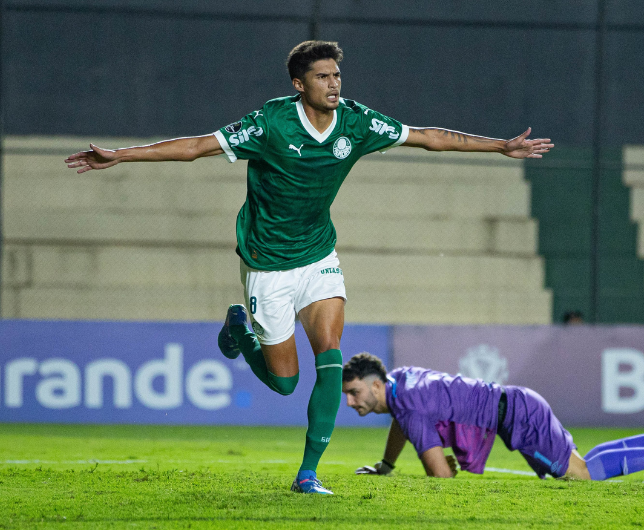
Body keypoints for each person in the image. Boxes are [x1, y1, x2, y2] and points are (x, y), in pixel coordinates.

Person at [64, 41, 554, 495]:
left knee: (331, 358)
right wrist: (121, 156)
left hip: (318, 256)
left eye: (337, 75)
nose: (334, 84)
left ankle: (307, 474)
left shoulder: (356, 122)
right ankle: (241, 329)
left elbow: (428, 138)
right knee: (284, 383)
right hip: (267, 264)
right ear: (300, 85)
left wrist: (501, 147)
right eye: (322, 77)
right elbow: (196, 146)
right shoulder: (271, 123)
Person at [342, 352, 644, 480]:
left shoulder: (408, 403)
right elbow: (402, 423)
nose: (350, 402)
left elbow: (440, 473)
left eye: (354, 392)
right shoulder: (401, 381)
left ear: (376, 387)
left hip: (519, 418)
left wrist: (440, 467)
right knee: (579, 466)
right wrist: (388, 464)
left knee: (579, 475)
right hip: (518, 407)